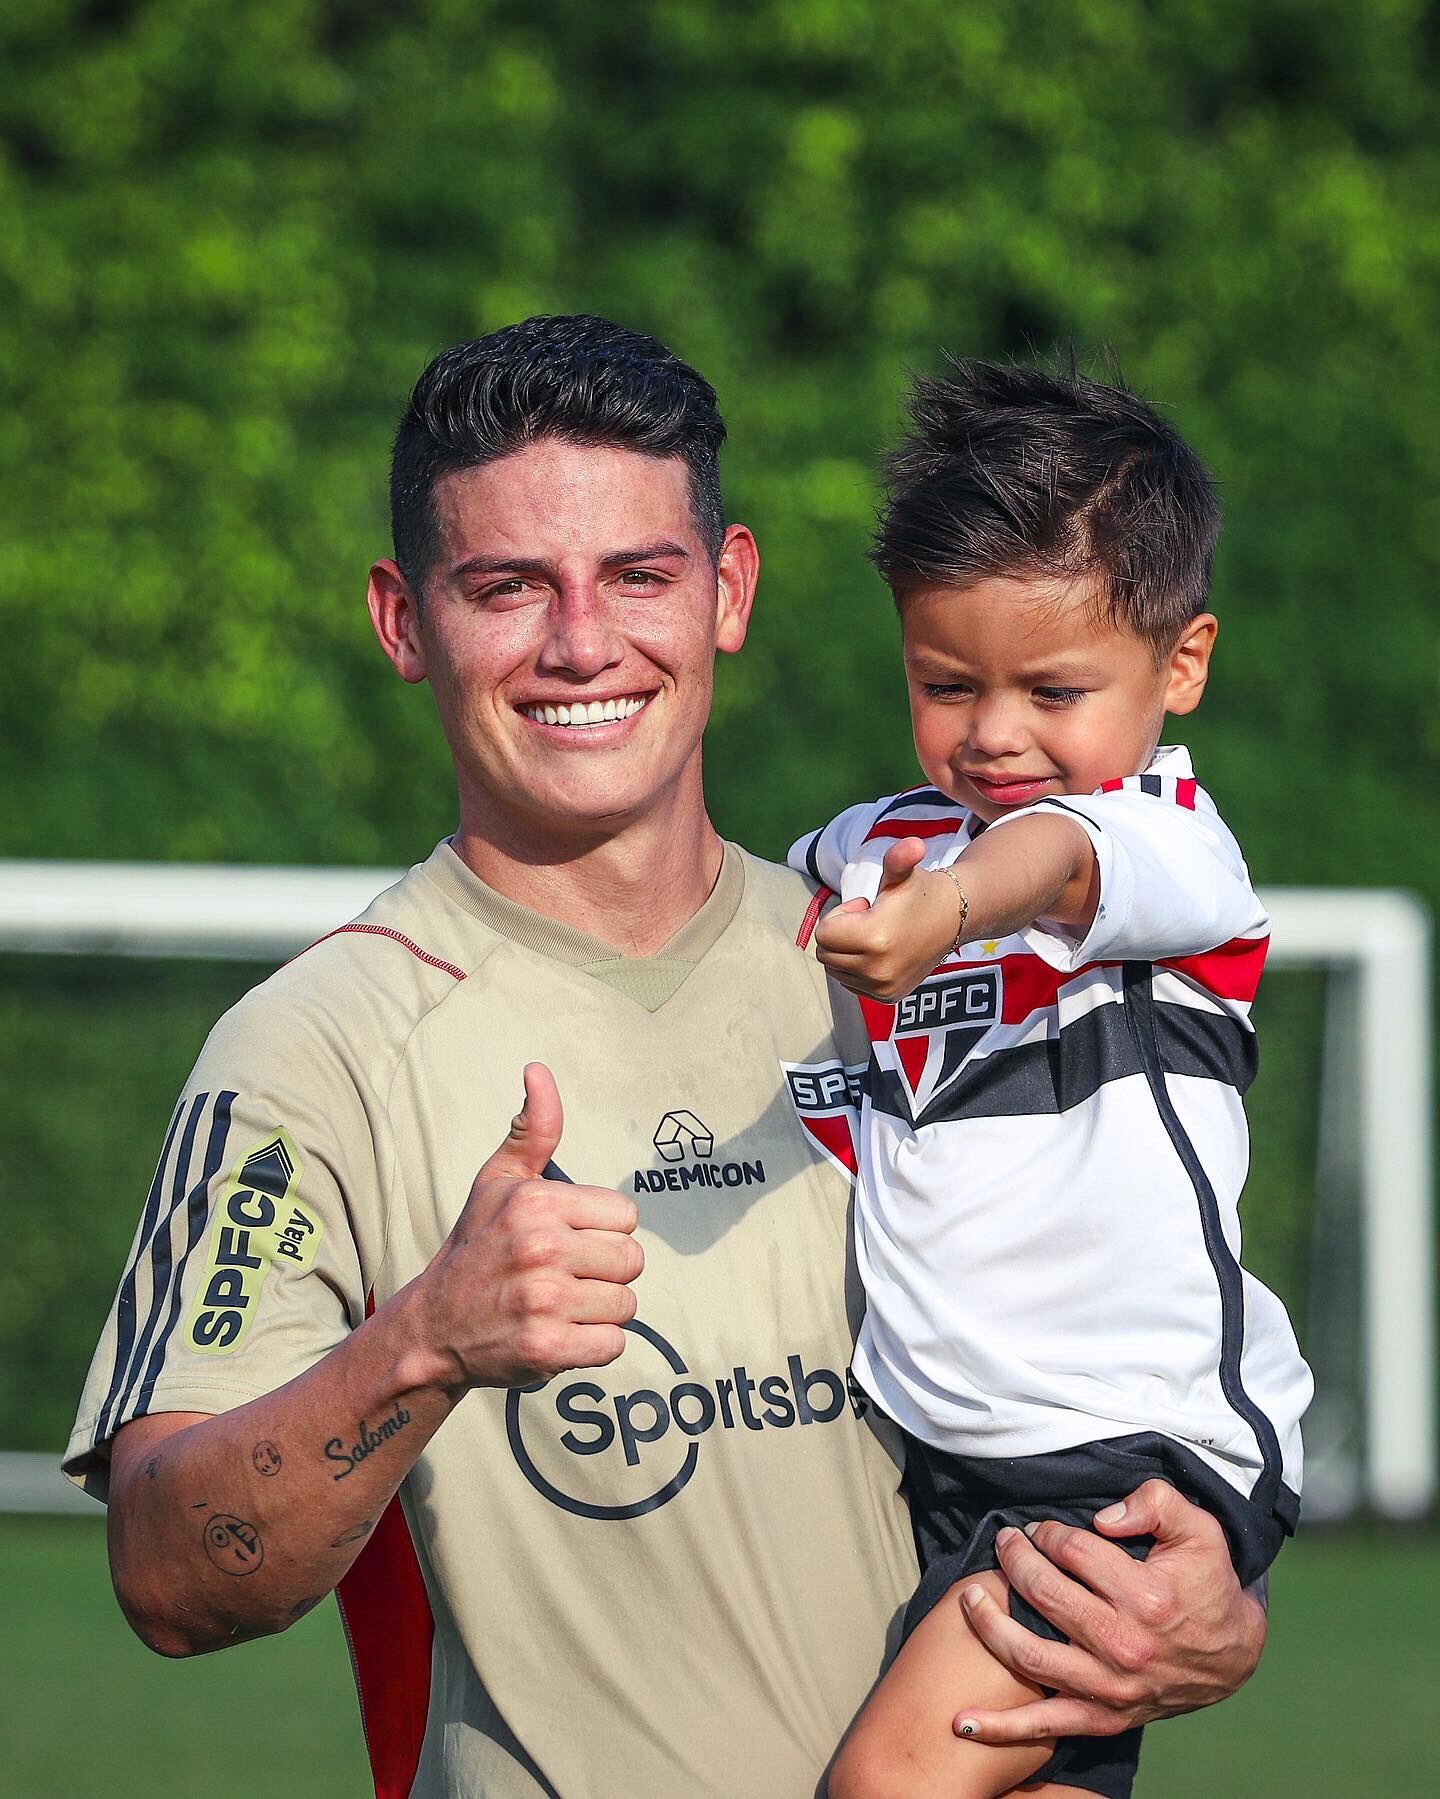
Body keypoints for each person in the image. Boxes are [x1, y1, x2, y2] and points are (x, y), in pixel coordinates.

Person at [67, 318, 1271, 1799]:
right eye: (508, 587)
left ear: (729, 593)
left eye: (638, 576)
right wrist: (426, 1339)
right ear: (401, 619)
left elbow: (1135, 1337)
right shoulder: (316, 1046)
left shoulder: (899, 962)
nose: (582, 643)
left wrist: (1209, 1608)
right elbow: (168, 1579)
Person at [789, 359, 1312, 1799]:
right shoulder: (870, 842)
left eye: (1053, 688)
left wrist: (941, 912)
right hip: (959, 1453)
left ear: (1180, 663)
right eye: (945, 684)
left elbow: (1057, 857)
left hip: (1119, 1456)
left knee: (886, 1785)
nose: (996, 733)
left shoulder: (1168, 842)